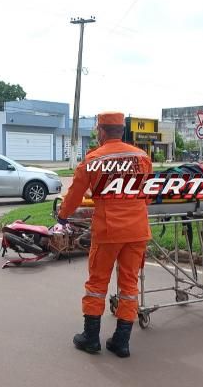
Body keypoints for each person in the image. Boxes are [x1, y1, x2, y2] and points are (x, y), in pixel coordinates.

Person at [57, 111, 153, 358]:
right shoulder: (142, 157)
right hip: (137, 230)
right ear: (122, 130)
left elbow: (75, 195)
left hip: (109, 230)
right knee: (129, 285)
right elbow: (148, 195)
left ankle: (91, 338)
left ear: (101, 130)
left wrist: (63, 215)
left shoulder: (93, 160)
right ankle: (121, 342)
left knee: (98, 284)